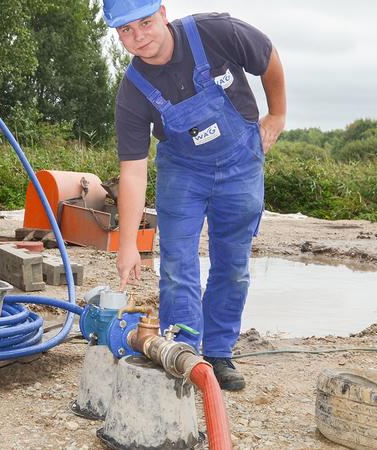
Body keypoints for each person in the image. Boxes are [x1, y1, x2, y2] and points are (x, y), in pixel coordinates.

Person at [105, 0, 286, 391]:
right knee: (177, 263)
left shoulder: (215, 32)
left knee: (232, 265)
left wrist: (278, 114)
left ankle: (219, 353)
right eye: (125, 31)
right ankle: (182, 352)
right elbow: (133, 172)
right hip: (184, 173)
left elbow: (267, 56)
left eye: (145, 23)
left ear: (163, 13)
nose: (139, 37)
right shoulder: (133, 91)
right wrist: (128, 244)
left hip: (241, 165)